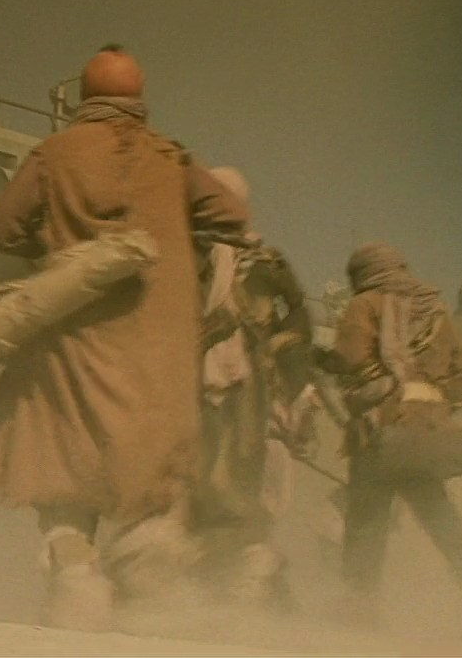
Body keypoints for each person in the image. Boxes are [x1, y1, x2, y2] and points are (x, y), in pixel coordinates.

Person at [0, 47, 250, 631]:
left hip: (73, 341)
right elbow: (230, 215)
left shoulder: (54, 153)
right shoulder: (170, 156)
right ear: (138, 95)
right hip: (158, 346)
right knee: (149, 463)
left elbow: (1, 228)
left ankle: (76, 575)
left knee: (62, 460)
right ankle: (150, 574)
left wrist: (61, 251)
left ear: (84, 95)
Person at [314, 242, 462, 627]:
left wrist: (322, 359)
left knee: (367, 520)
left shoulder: (365, 304)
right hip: (429, 435)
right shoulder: (435, 310)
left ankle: (359, 610)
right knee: (439, 514)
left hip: (381, 434)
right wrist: (437, 402)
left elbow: (350, 357)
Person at [193, 166, 314, 608]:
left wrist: (290, 387)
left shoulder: (262, 262)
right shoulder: (189, 250)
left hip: (242, 391)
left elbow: (295, 324)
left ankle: (257, 587)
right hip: (197, 383)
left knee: (233, 483)